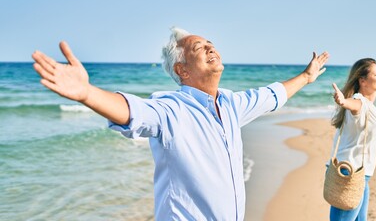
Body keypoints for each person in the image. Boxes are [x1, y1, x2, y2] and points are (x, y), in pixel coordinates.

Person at [32, 27, 329, 220]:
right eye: (200, 48)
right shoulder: (170, 110)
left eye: (211, 44)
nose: (211, 49)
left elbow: (271, 95)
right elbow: (131, 111)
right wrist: (87, 93)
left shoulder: (231, 104)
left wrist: (307, 76)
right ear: (182, 70)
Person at [328, 58, 376, 221]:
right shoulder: (360, 101)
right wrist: (343, 101)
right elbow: (354, 105)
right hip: (348, 174)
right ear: (362, 80)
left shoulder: (368, 103)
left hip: (361, 174)